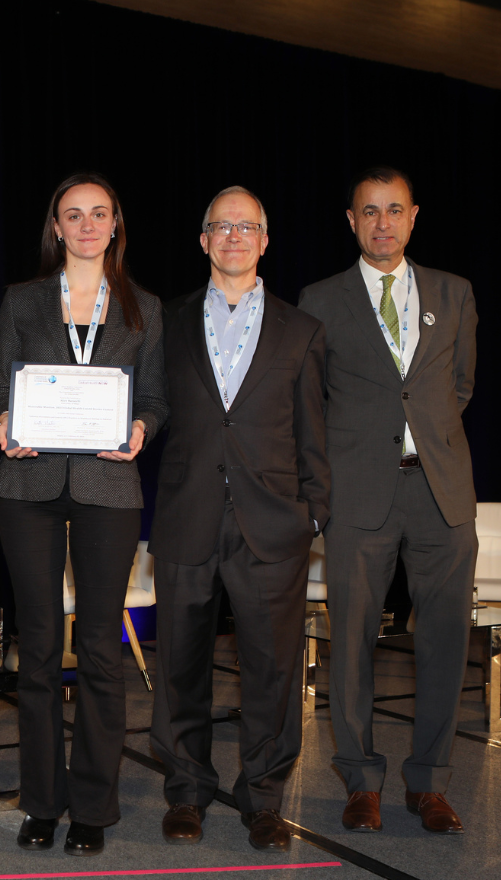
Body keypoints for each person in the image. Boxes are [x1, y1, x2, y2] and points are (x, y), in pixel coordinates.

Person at [0, 172, 168, 857]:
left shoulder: (142, 305)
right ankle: (41, 802)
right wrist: (4, 419)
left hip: (108, 487)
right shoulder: (23, 300)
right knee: (36, 648)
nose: (87, 224)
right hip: (29, 483)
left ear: (116, 224)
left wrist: (143, 428)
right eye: (73, 214)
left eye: (100, 214)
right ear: (55, 227)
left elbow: (156, 398)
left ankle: (93, 804)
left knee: (99, 648)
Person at [297, 167, 478, 835]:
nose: (382, 222)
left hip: (441, 490)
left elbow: (457, 387)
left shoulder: (454, 293)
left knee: (444, 642)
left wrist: (420, 439)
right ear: (351, 221)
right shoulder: (319, 299)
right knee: (350, 644)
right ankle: (361, 780)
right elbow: (310, 399)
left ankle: (430, 783)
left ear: (413, 216)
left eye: (394, 210)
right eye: (369, 211)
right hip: (357, 493)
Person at [148, 187, 329, 851]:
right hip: (186, 516)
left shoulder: (302, 331)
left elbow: (315, 434)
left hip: (273, 526)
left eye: (246, 226)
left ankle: (264, 799)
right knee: (181, 666)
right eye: (220, 226)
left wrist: (313, 515)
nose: (233, 236)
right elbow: (150, 408)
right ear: (202, 240)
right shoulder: (162, 321)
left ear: (265, 239)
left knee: (273, 670)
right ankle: (187, 792)